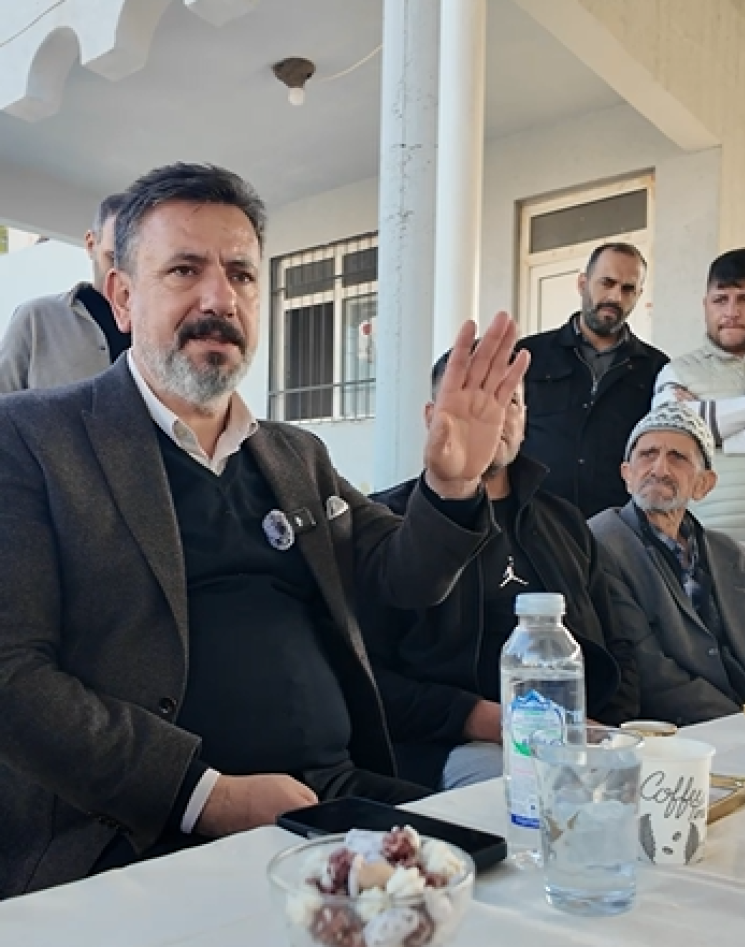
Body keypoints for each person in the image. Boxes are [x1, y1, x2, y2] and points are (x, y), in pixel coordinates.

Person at [0, 162, 529, 899]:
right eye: (184, 270)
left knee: (517, 888)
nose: (220, 298)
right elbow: (12, 675)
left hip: (333, 798)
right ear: (122, 296)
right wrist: (204, 794)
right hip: (137, 831)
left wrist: (451, 485)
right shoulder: (33, 439)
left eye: (242, 275)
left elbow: (401, 578)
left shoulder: (294, 455)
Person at [364, 348, 638, 791]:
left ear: (525, 419)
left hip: (577, 738)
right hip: (448, 746)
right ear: (432, 417)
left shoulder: (565, 522)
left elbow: (618, 644)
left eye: (508, 400)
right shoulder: (383, 523)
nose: (491, 415)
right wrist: (483, 718)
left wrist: (610, 730)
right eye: (473, 398)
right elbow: (362, 677)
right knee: (549, 787)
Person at [589, 402, 745, 727]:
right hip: (677, 731)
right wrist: (738, 726)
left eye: (678, 458)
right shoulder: (602, 543)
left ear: (704, 484)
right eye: (647, 454)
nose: (659, 469)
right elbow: (649, 672)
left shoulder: (730, 553)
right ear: (627, 474)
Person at [519, 242, 668, 518]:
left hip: (617, 527)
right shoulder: (528, 356)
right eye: (607, 283)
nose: (615, 297)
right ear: (582, 283)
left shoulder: (656, 369)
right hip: (533, 521)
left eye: (628, 289)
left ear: (639, 295)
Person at [652, 249, 745, 544]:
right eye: (721, 300)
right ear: (705, 305)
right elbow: (672, 437)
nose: (731, 312)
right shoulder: (676, 372)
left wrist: (709, 425)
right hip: (705, 549)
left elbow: (691, 427)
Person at [0, 192, 130, 392]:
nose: (122, 272)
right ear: (91, 244)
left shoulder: (165, 325)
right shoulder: (37, 319)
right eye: (112, 257)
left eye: (136, 261)